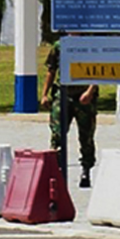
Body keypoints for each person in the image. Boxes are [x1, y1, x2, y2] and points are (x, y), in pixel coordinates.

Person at [40, 38, 98, 188]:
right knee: (57, 134)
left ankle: (86, 169)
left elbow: (98, 70)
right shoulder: (60, 45)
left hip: (83, 95)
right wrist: (44, 94)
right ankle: (56, 169)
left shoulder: (90, 44)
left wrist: (90, 91)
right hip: (63, 94)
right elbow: (51, 70)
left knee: (86, 135)